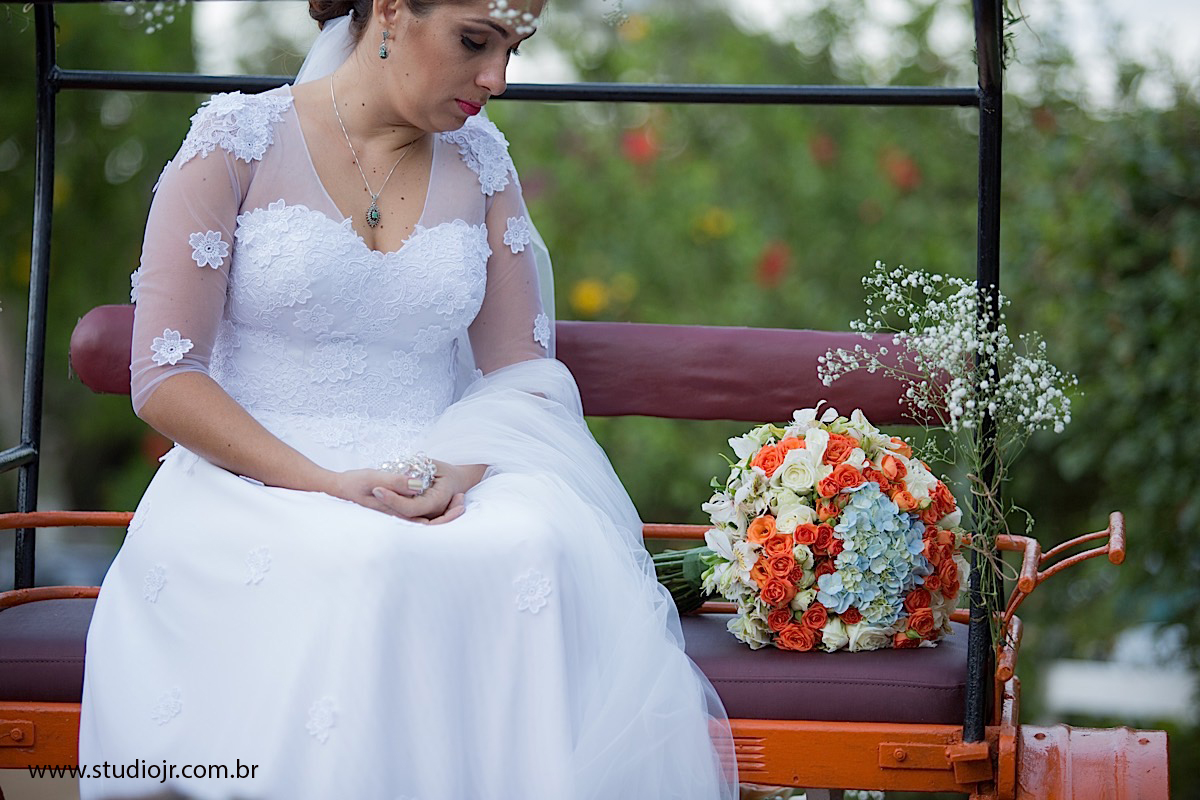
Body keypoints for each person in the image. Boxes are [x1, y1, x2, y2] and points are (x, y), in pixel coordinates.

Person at [78, 1, 738, 798]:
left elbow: (520, 375)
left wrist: (449, 472)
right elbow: (164, 376)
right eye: (474, 43)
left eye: (512, 50)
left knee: (535, 542)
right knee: (369, 557)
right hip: (250, 483)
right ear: (390, 10)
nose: (496, 79)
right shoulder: (234, 144)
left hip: (435, 474)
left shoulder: (484, 166)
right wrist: (327, 483)